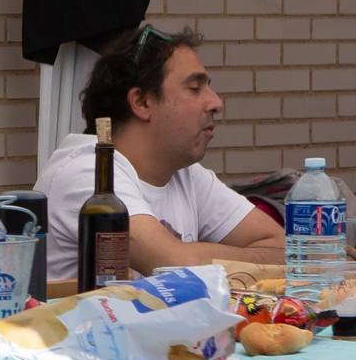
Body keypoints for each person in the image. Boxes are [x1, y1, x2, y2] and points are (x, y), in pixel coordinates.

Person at [35, 25, 283, 281]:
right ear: (142, 102)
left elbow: (282, 248)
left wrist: (195, 257)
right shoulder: (88, 171)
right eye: (195, 88)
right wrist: (196, 257)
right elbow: (174, 265)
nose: (216, 103)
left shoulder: (184, 173)